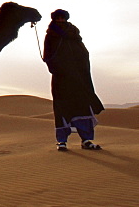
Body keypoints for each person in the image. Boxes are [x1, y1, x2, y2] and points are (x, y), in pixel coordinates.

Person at [43, 9, 104, 151]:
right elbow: (48, 56)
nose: (60, 20)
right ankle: (62, 141)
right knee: (62, 108)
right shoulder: (51, 36)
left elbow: (84, 54)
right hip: (61, 78)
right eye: (57, 18)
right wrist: (57, 67)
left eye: (62, 18)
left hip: (78, 78)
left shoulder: (74, 35)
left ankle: (86, 140)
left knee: (82, 106)